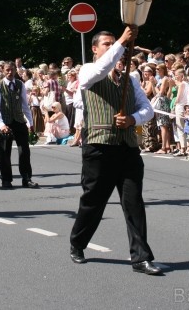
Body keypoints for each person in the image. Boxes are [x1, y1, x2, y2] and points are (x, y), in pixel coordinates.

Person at [68, 26, 163, 276]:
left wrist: (132, 119)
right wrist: (122, 39)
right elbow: (101, 68)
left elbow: (148, 109)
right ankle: (78, 242)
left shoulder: (131, 78)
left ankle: (141, 257)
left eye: (115, 44)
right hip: (99, 147)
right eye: (107, 44)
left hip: (127, 148)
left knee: (133, 204)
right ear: (94, 49)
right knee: (93, 202)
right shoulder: (89, 71)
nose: (113, 48)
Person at [0, 61, 38, 189]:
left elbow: (25, 105)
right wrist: (1, 125)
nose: (10, 72)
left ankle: (26, 178)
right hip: (5, 122)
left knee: (24, 151)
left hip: (19, 121)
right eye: (7, 70)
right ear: (3, 70)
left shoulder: (20, 84)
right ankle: (6, 180)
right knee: (5, 152)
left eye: (12, 70)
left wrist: (30, 122)